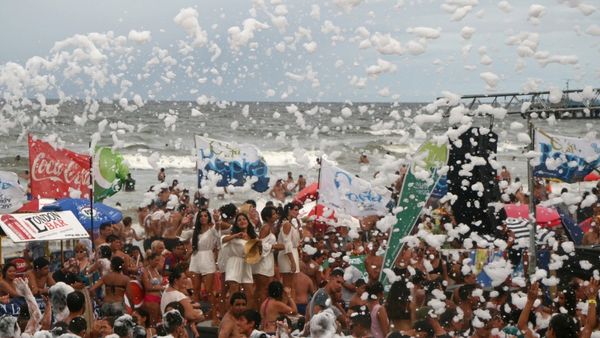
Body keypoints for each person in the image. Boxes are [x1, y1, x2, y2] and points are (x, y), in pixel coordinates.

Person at [189, 208, 219, 321]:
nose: (203, 218)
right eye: (201, 216)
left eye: (206, 216)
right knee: (195, 289)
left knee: (208, 290)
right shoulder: (194, 231)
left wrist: (217, 220)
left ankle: (214, 316)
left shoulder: (212, 230)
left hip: (207, 258)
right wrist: (182, 225)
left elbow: (219, 240)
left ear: (209, 218)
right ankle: (196, 315)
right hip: (196, 258)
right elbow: (179, 236)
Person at [221, 213, 257, 304]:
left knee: (250, 293)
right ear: (236, 223)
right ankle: (230, 315)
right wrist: (235, 235)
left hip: (246, 264)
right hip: (234, 262)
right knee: (234, 293)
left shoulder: (253, 236)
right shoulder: (233, 235)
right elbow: (222, 240)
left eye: (244, 219)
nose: (242, 221)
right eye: (239, 220)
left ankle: (246, 315)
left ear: (248, 222)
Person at [253, 206, 282, 309]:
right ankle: (260, 311)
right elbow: (260, 245)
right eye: (274, 214)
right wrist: (275, 246)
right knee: (263, 289)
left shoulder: (270, 227)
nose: (276, 215)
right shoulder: (266, 228)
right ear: (268, 217)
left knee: (262, 288)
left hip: (268, 260)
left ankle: (259, 310)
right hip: (263, 262)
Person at [277, 202, 302, 301]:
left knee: (292, 285)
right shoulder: (286, 224)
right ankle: (287, 307)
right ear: (289, 210)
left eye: (298, 210)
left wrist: (299, 226)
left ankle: (290, 307)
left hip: (292, 252)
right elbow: (287, 243)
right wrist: (292, 261)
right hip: (288, 254)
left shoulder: (291, 223)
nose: (297, 212)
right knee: (288, 285)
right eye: (295, 209)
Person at [142, 252, 164, 325]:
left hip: (159, 298)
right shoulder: (145, 271)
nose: (157, 262)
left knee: (159, 321)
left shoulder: (156, 270)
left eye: (159, 260)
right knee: (152, 322)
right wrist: (161, 287)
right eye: (156, 260)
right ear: (150, 260)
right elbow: (147, 287)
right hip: (151, 299)